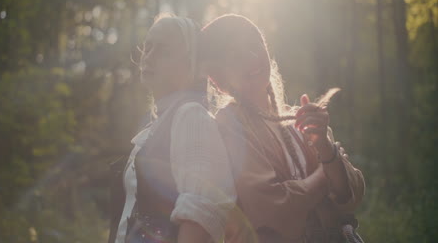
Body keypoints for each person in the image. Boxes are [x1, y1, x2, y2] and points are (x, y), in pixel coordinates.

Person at [198, 14, 365, 243]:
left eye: (255, 46)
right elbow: (270, 207)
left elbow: (352, 193)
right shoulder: (229, 125)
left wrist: (325, 147)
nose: (252, 57)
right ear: (219, 80)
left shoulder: (299, 118)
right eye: (236, 56)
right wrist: (325, 173)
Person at [108, 14, 236, 243]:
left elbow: (204, 210)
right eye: (148, 47)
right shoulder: (157, 124)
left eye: (164, 51)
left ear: (191, 64)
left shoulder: (191, 116)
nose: (149, 56)